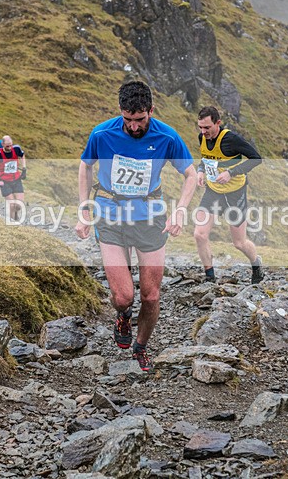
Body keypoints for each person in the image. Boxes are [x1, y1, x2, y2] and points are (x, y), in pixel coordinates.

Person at [75, 81, 197, 371]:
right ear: (120, 113)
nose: (133, 127)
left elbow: (190, 175)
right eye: (127, 120)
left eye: (140, 119)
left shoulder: (167, 136)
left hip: (150, 216)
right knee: (124, 295)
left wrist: (179, 211)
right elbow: (85, 165)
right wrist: (83, 209)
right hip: (110, 214)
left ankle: (141, 346)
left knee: (151, 295)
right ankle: (122, 314)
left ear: (151, 111)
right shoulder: (102, 133)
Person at [193, 105, 264, 284]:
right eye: (200, 127)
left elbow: (256, 159)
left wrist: (231, 173)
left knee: (239, 243)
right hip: (213, 192)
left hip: (235, 194)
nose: (203, 131)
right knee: (199, 235)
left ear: (218, 123)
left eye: (207, 127)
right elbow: (206, 158)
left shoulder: (231, 139)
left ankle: (256, 264)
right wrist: (200, 170)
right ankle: (210, 278)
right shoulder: (202, 137)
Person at [0, 135, 27, 222]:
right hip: (5, 181)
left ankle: (14, 215)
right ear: (2, 144)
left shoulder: (16, 149)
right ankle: (12, 223)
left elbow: (22, 155)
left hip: (16, 180)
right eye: (7, 146)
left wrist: (24, 168)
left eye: (11, 145)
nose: (10, 147)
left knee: (19, 205)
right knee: (12, 205)